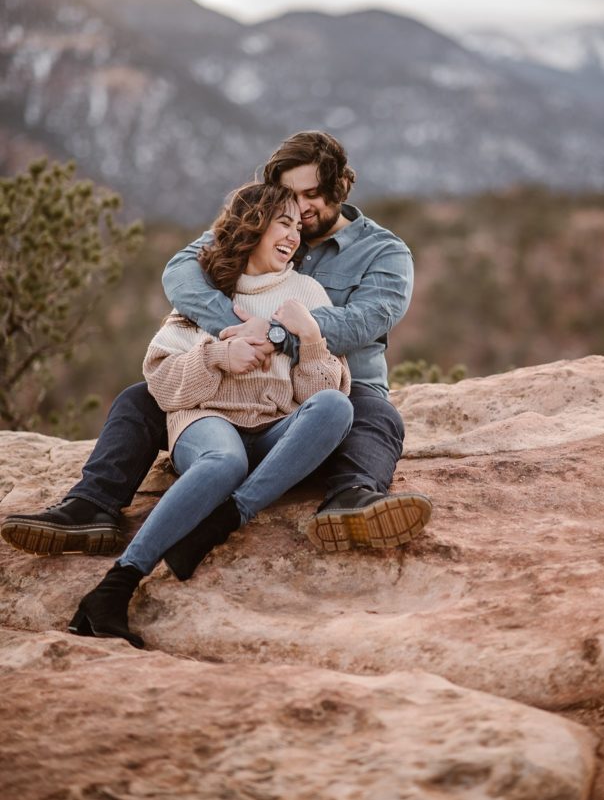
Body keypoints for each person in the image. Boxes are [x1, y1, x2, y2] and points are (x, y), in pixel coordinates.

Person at [1, 130, 431, 558]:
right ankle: (92, 506)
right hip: (233, 391)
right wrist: (234, 331)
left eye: (313, 194)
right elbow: (181, 274)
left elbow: (362, 322)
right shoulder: (263, 224)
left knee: (374, 414)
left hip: (327, 390)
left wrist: (274, 333)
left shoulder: (385, 253)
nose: (299, 209)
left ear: (339, 187)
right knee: (139, 401)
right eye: (288, 195)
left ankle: (351, 499)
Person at [67, 182, 354, 647]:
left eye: (298, 226)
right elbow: (161, 383)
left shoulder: (307, 292)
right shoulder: (208, 290)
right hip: (207, 422)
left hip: (274, 432)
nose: (293, 235)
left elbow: (316, 393)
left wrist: (313, 340)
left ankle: (223, 519)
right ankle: (113, 588)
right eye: (283, 222)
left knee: (337, 406)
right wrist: (219, 355)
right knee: (224, 462)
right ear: (253, 226)